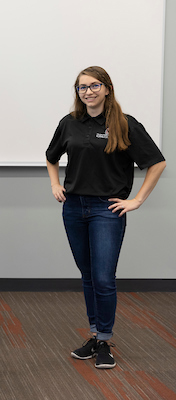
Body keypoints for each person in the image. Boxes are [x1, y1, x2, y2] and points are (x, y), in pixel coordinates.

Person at [46, 66, 166, 369]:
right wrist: (55, 184)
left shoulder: (125, 124)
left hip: (106, 210)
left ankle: (104, 341)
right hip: (74, 208)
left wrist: (137, 200)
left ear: (107, 88)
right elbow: (51, 157)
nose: (88, 92)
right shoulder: (69, 123)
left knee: (103, 278)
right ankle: (94, 334)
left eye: (94, 85)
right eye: (81, 87)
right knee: (87, 277)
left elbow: (157, 162)